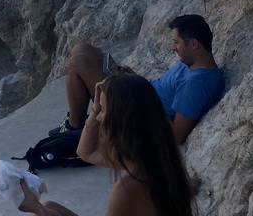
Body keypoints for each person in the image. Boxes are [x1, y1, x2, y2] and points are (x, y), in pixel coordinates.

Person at [17, 74, 194, 216]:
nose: (99, 118)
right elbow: (85, 152)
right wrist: (95, 109)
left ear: (120, 121)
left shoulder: (128, 188)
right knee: (49, 205)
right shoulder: (154, 157)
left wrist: (36, 208)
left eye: (103, 111)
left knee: (40, 212)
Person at [52, 14, 225, 145]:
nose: (173, 47)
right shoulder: (192, 63)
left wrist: (139, 98)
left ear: (194, 44)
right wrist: (135, 80)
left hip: (134, 114)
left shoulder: (195, 85)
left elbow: (177, 136)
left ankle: (74, 127)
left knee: (77, 63)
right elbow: (163, 91)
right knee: (81, 48)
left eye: (176, 42)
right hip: (138, 96)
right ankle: (78, 121)